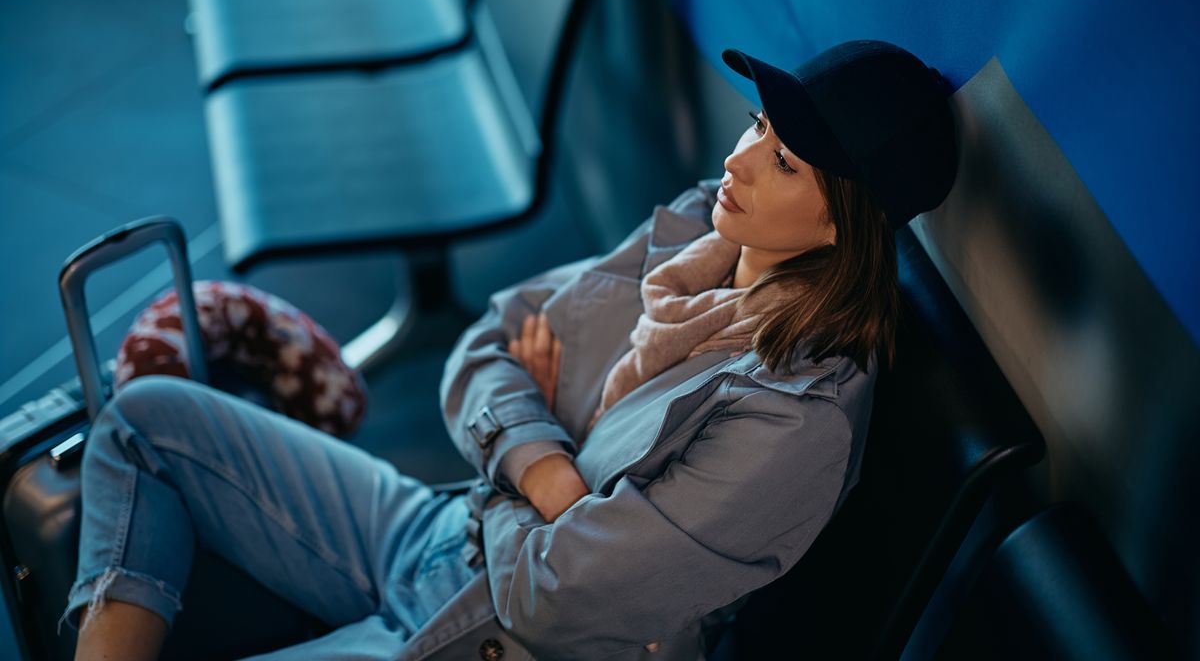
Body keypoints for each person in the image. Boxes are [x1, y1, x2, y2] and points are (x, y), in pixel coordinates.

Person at [57, 39, 957, 660]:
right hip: (447, 534)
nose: (741, 160)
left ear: (847, 223)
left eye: (787, 161)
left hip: (507, 641)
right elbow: (483, 345)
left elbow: (553, 598)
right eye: (759, 125)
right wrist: (546, 472)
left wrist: (515, 441)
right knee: (146, 421)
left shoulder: (796, 422)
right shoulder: (701, 230)